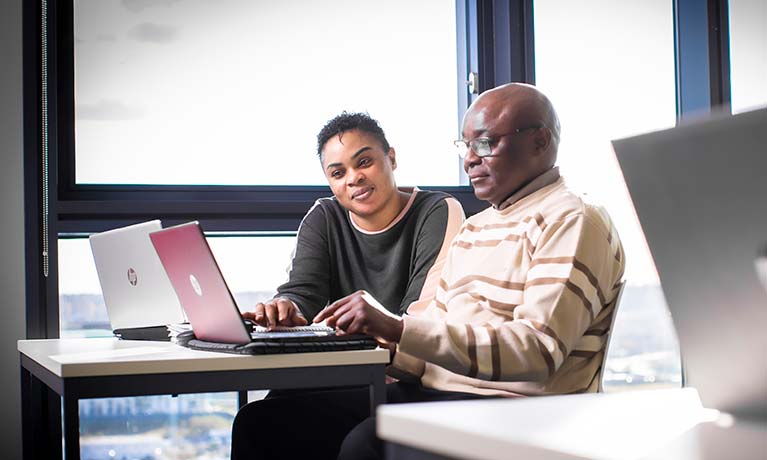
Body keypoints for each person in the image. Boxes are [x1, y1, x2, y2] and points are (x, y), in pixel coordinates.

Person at [315, 83, 627, 460]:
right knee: (269, 420)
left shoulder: (572, 219)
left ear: (540, 141)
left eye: (484, 144)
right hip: (441, 396)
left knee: (365, 444)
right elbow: (424, 354)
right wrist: (365, 335)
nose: (469, 160)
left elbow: (538, 351)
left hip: (514, 410)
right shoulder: (475, 227)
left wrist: (397, 327)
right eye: (465, 146)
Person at [229, 112, 465, 459]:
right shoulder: (324, 216)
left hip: (404, 378)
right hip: (340, 371)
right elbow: (302, 292)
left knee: (270, 423)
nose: (354, 178)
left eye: (364, 161)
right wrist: (285, 309)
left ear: (392, 158)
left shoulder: (437, 211)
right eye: (338, 172)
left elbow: (420, 318)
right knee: (257, 418)